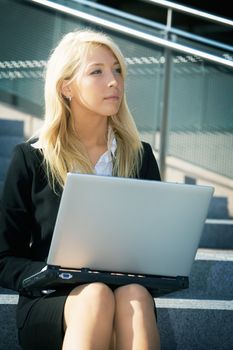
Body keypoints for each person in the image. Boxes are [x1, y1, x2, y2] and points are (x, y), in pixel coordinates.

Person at [0, 29, 161, 350]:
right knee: (95, 295)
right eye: (97, 72)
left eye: (117, 70)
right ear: (66, 86)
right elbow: (4, 257)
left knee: (136, 296)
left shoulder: (140, 156)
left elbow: (156, 249)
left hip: (124, 291)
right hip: (51, 300)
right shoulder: (32, 157)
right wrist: (52, 273)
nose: (114, 81)